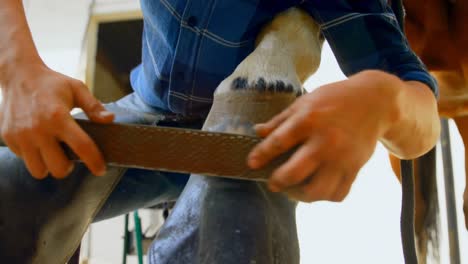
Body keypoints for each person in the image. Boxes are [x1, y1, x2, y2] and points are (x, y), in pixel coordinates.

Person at [0, 0, 440, 263]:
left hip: (253, 123)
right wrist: (18, 67)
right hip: (146, 110)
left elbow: (421, 115)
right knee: (12, 189)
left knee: (230, 240)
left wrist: (384, 98)